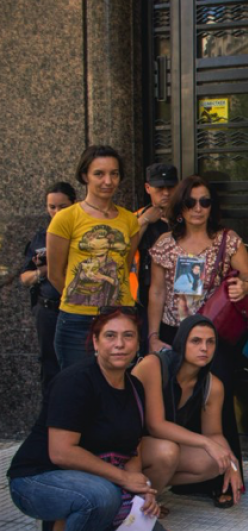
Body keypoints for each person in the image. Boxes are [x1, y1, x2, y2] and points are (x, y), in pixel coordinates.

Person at [6, 308, 169, 531]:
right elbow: (61, 452)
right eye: (110, 336)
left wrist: (141, 490)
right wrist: (122, 480)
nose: (119, 344)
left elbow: (132, 448)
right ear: (95, 343)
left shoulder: (134, 388)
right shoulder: (75, 381)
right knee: (101, 496)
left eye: (128, 336)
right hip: (37, 479)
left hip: (91, 477)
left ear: (137, 343)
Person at [148, 174, 248, 503]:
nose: (198, 208)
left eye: (205, 201)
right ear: (180, 206)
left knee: (217, 405)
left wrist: (244, 287)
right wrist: (152, 336)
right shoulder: (165, 244)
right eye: (191, 201)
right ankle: (182, 474)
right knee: (175, 403)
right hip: (173, 332)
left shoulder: (229, 240)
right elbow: (155, 291)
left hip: (214, 335)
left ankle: (227, 480)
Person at [133, 315, 243, 511]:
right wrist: (207, 443)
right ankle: (139, 506)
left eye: (211, 342)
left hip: (158, 449)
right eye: (196, 341)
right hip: (129, 445)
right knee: (168, 451)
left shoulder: (213, 384)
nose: (204, 348)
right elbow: (155, 425)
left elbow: (214, 434)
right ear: (182, 342)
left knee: (214, 462)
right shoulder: (154, 365)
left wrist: (232, 464)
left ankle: (148, 497)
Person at [47, 146, 141, 370]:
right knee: (79, 392)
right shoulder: (65, 218)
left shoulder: (129, 220)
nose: (108, 181)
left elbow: (124, 268)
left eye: (114, 173)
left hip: (120, 317)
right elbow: (55, 273)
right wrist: (83, 298)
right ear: (84, 176)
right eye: (99, 173)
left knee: (119, 391)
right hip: (77, 321)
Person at [21, 182, 76, 393]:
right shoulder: (40, 238)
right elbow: (24, 277)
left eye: (62, 207)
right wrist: (44, 270)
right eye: (52, 207)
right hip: (48, 310)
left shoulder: (82, 234)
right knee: (49, 365)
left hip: (77, 308)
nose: (56, 212)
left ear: (74, 204)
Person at [131, 163, 178, 322]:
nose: (165, 193)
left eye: (170, 187)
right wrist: (144, 221)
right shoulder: (135, 218)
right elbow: (125, 250)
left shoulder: (189, 217)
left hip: (181, 296)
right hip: (143, 297)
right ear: (147, 188)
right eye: (159, 188)